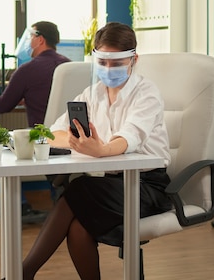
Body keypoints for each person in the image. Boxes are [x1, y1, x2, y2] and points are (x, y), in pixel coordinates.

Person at [22, 22, 173, 279]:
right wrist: (74, 139)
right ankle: (23, 274)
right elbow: (54, 132)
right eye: (102, 62)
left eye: (116, 63)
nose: (108, 69)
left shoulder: (146, 93)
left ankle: (23, 273)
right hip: (113, 185)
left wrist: (101, 150)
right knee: (79, 228)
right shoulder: (92, 94)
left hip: (146, 187)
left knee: (78, 188)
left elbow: (129, 138)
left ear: (133, 59)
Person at [0, 21, 71, 220]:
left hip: (42, 140)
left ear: (40, 39)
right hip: (68, 139)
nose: (28, 41)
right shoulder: (69, 65)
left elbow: (2, 106)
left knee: (3, 149)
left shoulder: (26, 70)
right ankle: (61, 202)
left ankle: (21, 205)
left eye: (31, 37)